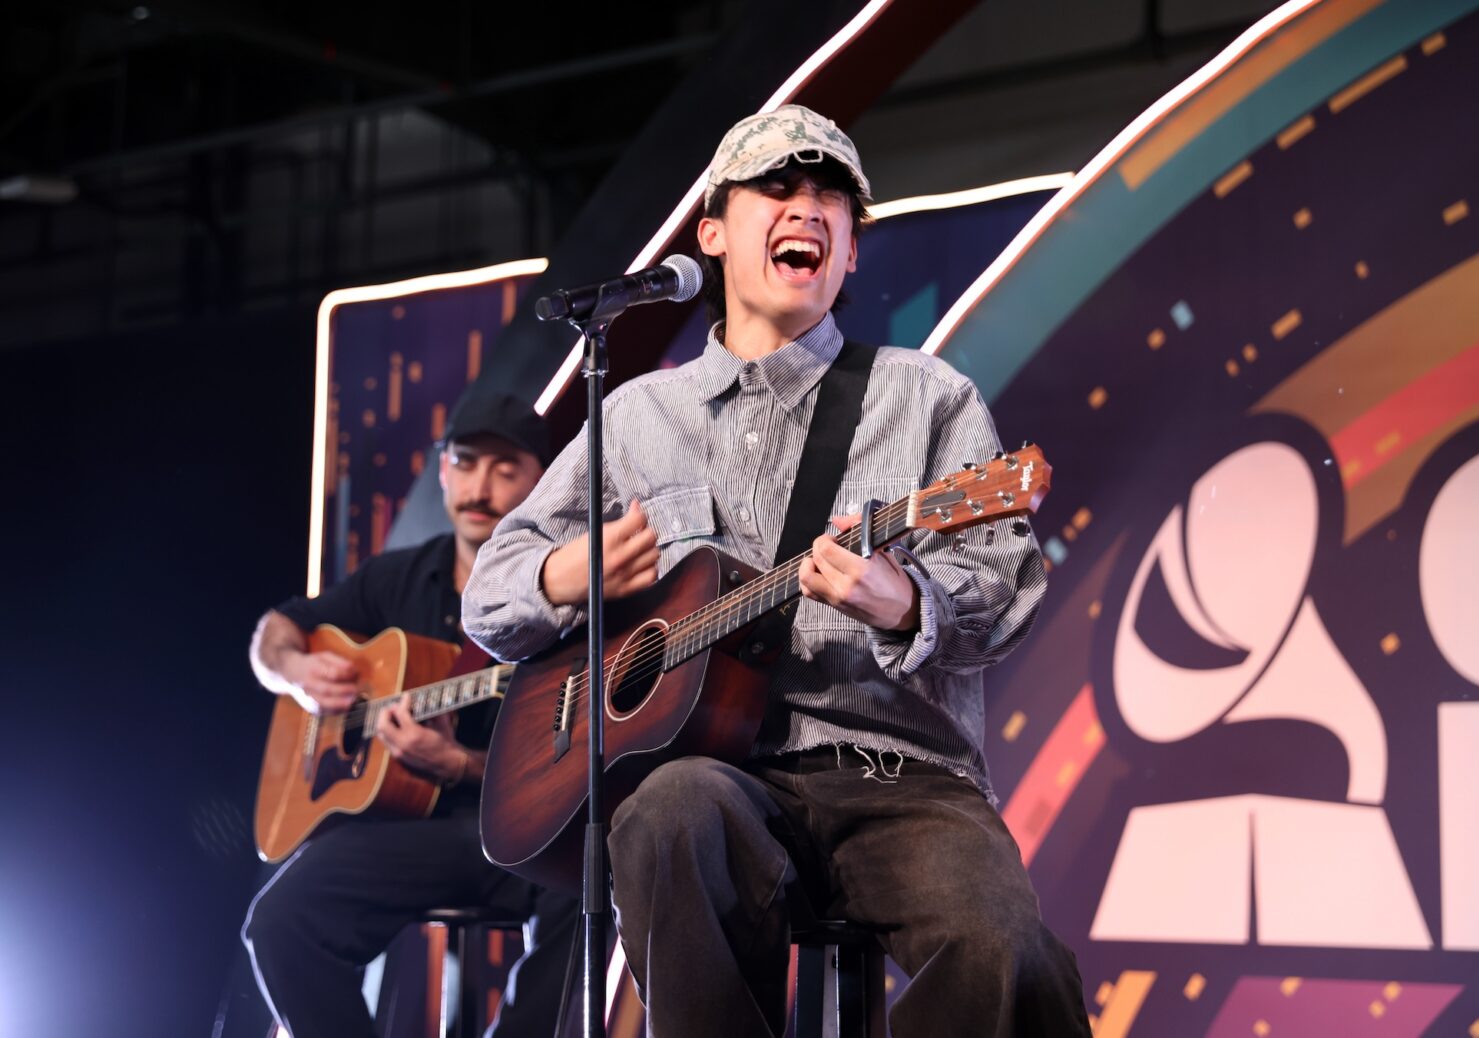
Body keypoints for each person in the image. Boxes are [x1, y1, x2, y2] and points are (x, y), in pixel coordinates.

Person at [462, 106, 1090, 1036]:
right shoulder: (637, 418)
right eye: (779, 187)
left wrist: (905, 599)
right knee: (669, 810)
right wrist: (566, 572)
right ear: (712, 233)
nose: (810, 206)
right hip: (719, 777)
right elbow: (489, 596)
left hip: (901, 776)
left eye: (831, 195)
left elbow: (1008, 588)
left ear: (848, 254)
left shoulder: (926, 397)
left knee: (1009, 953)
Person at [242, 390, 579, 1038]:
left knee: (595, 874)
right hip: (410, 833)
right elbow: (274, 632)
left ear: (543, 480)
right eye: (467, 461)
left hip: (522, 830)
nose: (481, 486)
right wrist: (298, 674)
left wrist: (462, 765)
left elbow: (578, 758)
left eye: (506, 468)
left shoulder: (567, 588)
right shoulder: (399, 577)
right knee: (280, 921)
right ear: (444, 470)